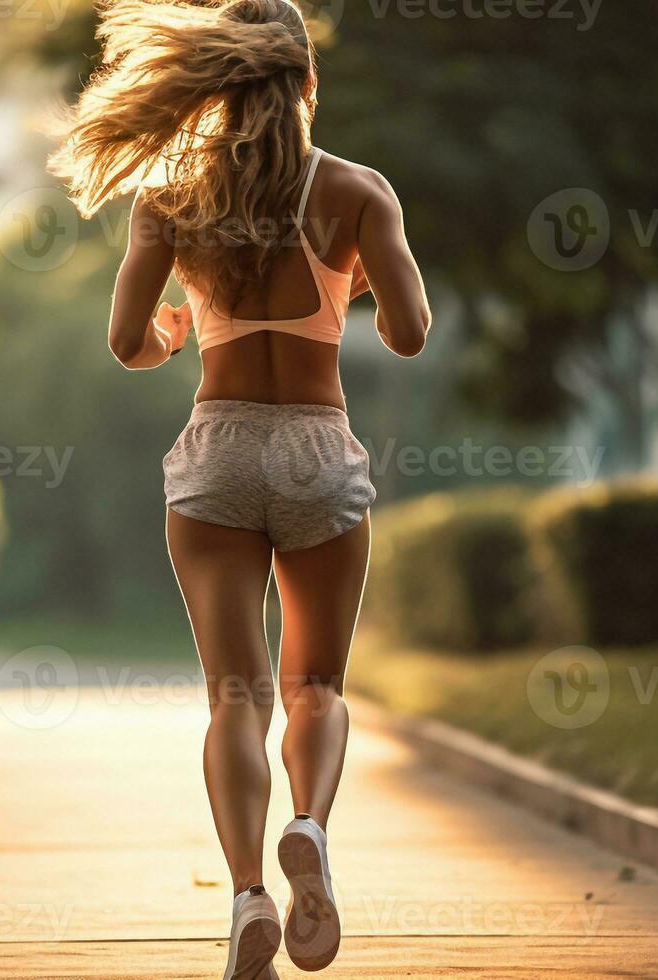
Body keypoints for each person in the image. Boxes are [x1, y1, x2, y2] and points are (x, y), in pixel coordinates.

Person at [50, 0, 430, 975]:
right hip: (315, 444)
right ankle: (308, 824)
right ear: (308, 83)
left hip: (218, 448)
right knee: (318, 685)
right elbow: (410, 330)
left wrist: (177, 331)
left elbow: (128, 343)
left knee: (234, 697)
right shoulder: (357, 190)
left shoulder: (170, 199)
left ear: (217, 90)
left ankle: (249, 898)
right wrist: (356, 289)